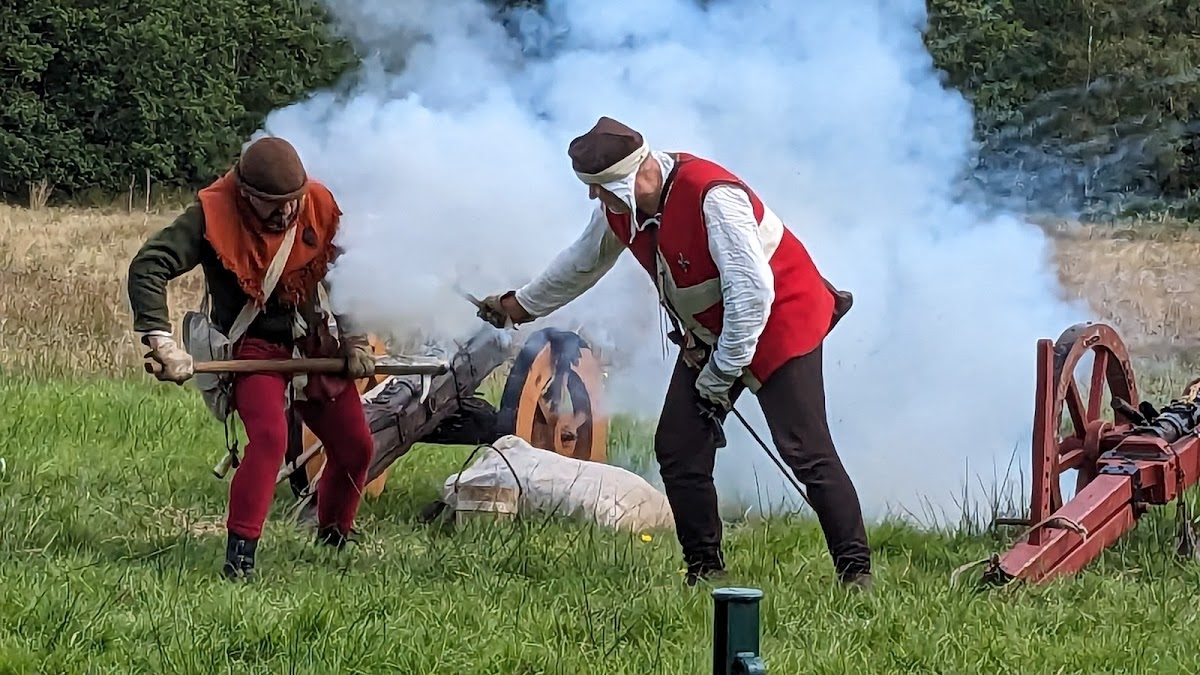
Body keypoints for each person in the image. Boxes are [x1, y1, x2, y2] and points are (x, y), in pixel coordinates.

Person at [476, 117, 873, 588]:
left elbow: (751, 296)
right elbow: (580, 265)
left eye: (599, 187)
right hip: (713, 332)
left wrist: (719, 375)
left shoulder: (713, 197)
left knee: (807, 452)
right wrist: (518, 306)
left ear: (625, 178)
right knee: (679, 446)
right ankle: (705, 570)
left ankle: (856, 574)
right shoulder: (620, 208)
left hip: (783, 319)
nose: (593, 197)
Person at [127, 136, 377, 581]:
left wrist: (355, 339)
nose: (288, 212)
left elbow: (346, 274)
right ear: (246, 194)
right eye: (275, 204)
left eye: (293, 201)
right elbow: (150, 264)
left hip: (311, 342)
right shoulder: (212, 212)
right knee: (269, 441)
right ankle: (239, 560)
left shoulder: (317, 203)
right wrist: (161, 341)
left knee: (356, 446)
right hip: (251, 347)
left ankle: (334, 538)